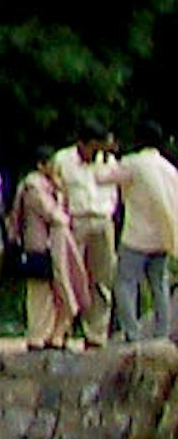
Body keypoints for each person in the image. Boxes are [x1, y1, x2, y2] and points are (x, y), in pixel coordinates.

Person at [12, 154, 92, 347]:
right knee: (39, 296)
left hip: (53, 247)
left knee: (55, 292)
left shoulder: (52, 187)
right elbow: (52, 214)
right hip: (38, 247)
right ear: (41, 165)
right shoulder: (33, 187)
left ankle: (53, 334)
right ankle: (37, 335)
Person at [114, 141, 178, 343]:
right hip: (162, 236)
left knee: (126, 283)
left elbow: (120, 190)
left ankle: (132, 333)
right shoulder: (169, 169)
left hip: (136, 236)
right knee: (159, 285)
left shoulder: (132, 163)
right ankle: (162, 333)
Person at [61, 140, 122, 345]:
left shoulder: (108, 162)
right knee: (70, 277)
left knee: (102, 279)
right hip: (76, 220)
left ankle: (96, 334)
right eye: (91, 149)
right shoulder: (63, 160)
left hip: (102, 219)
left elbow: (114, 192)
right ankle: (63, 330)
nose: (94, 154)